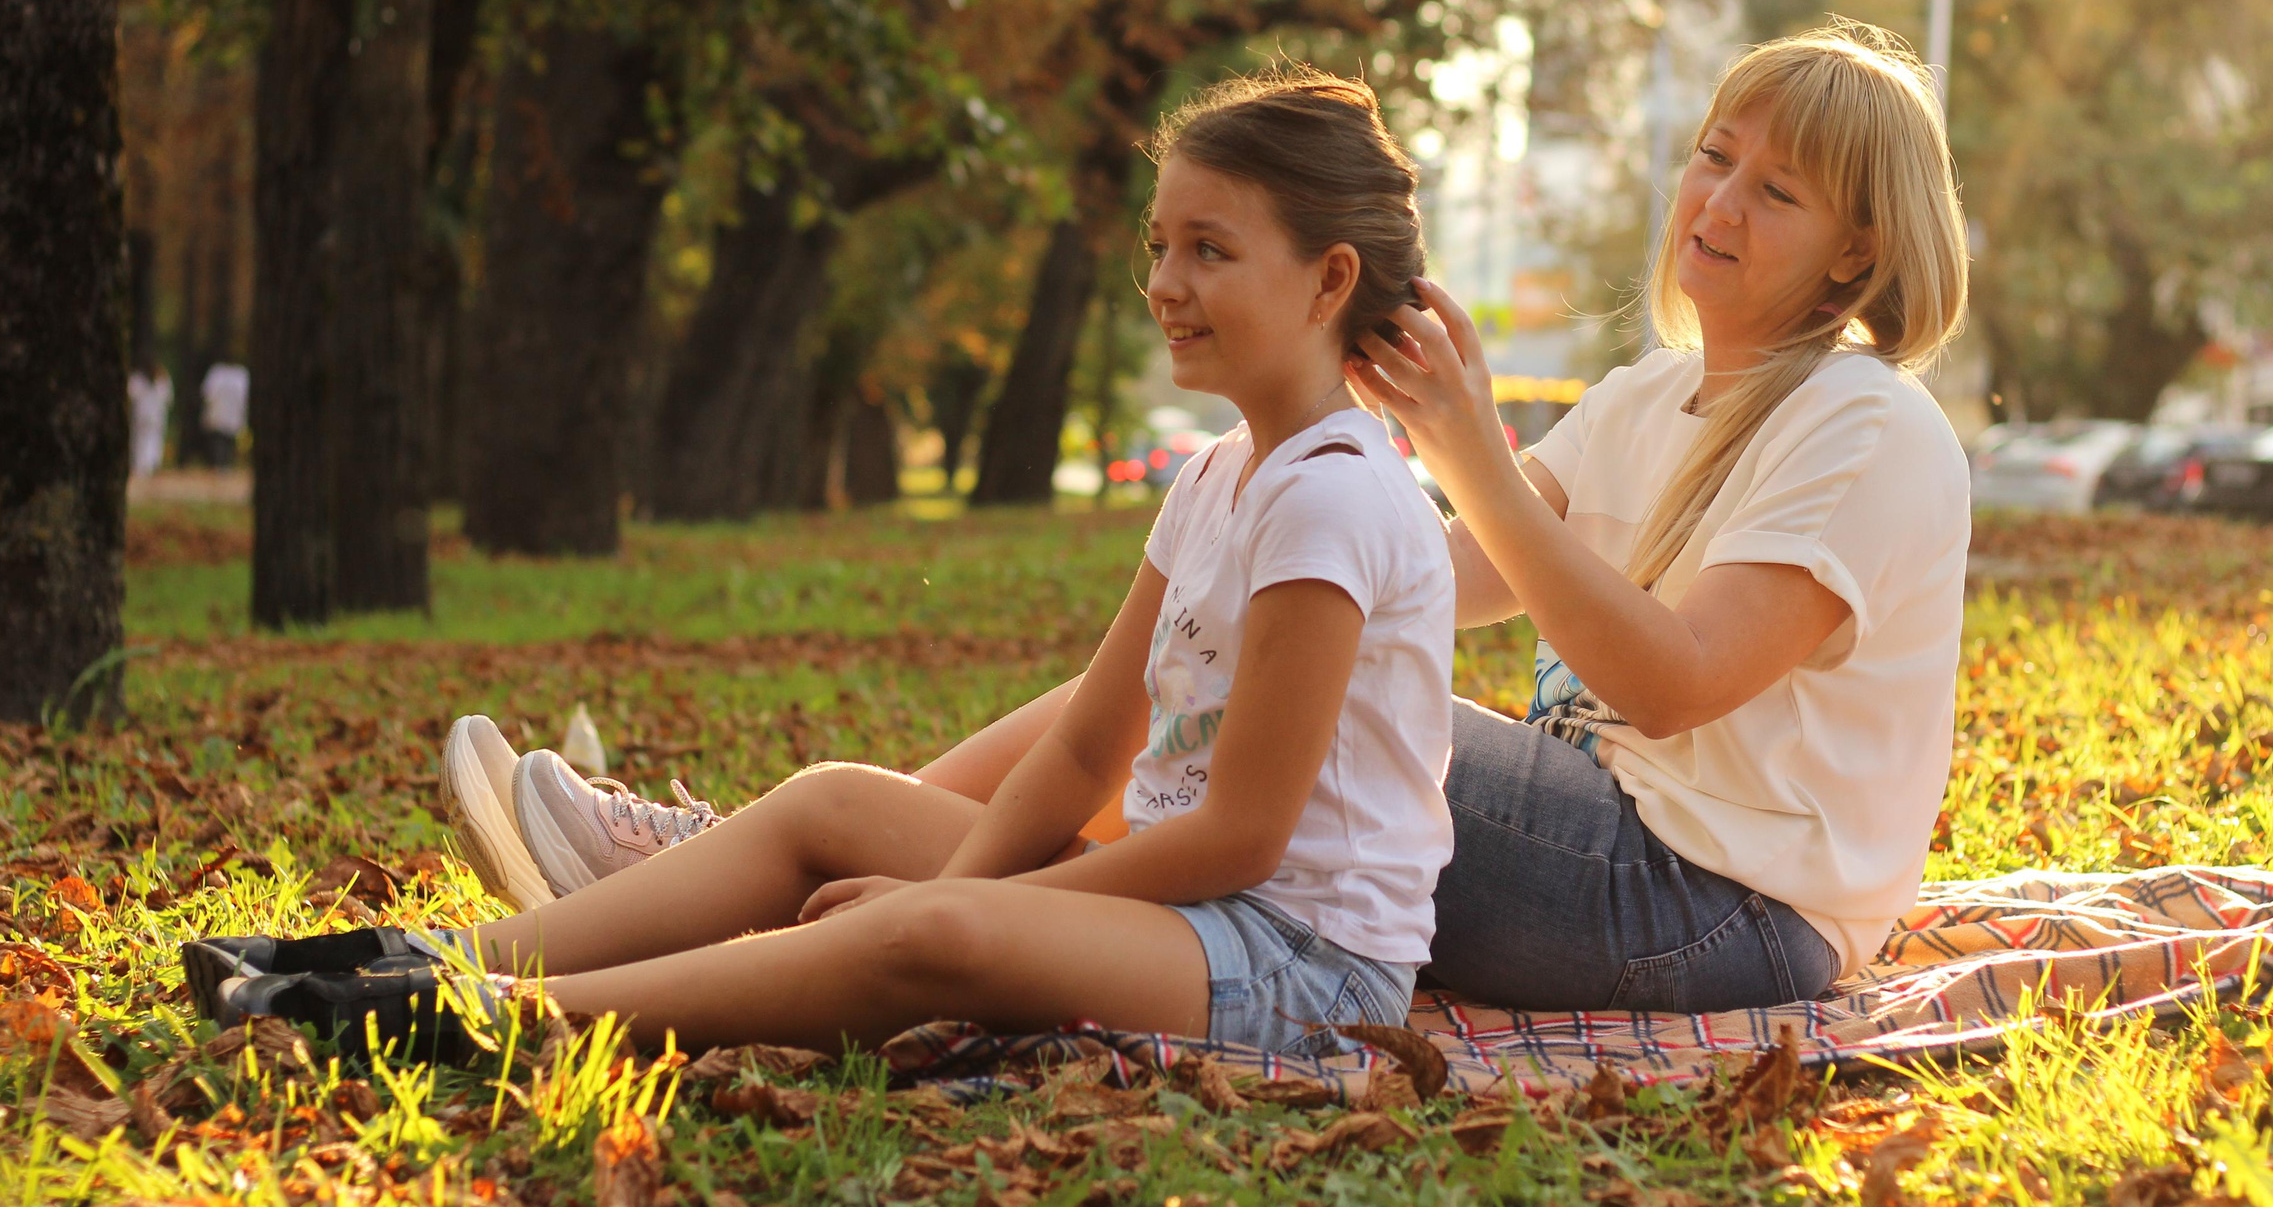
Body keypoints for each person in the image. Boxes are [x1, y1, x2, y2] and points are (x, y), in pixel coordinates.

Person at [447, 20, 1970, 1015]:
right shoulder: (1658, 392)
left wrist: (1463, 444)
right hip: (1601, 846)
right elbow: (1448, 578)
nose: (1718, 198)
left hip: (1716, 908)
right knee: (1212, 657)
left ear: (1857, 255)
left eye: (1778, 192)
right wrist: (1298, 519)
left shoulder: (1869, 426)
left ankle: (778, 881)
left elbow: (1673, 678)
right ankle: (764, 865)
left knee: (1245, 700)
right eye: (1718, 153)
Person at [184, 68, 1458, 1061]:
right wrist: (971, 873)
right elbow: (1082, 748)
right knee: (835, 801)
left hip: (1297, 963)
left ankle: (470, 1019)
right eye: (1160, 243)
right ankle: (427, 955)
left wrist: (973, 905)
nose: (1163, 282)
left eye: (1209, 251)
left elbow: (1239, 836)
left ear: (1327, 279)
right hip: (1177, 910)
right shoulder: (1219, 474)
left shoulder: (1337, 500)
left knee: (938, 932)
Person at [199, 360, 248, 469]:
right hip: (224, 414)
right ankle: (221, 465)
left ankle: (222, 465)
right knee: (222, 440)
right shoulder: (237, 375)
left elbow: (208, 394)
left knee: (224, 440)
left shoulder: (219, 374)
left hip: (223, 414)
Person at [128, 363, 173, 478]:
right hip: (156, 416)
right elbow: (169, 399)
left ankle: (143, 467)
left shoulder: (138, 379)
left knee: (140, 442)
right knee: (153, 441)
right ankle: (150, 464)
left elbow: (131, 394)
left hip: (143, 415)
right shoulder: (163, 380)